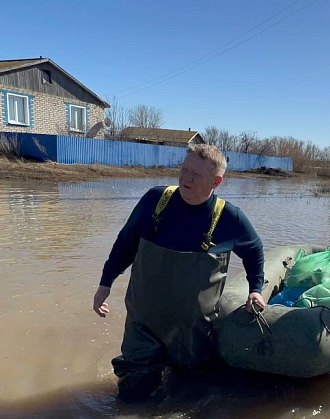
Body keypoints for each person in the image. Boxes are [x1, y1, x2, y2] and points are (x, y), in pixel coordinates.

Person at [93, 143, 266, 401]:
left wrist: (256, 290)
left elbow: (255, 251)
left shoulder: (229, 218)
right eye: (184, 169)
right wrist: (105, 283)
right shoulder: (155, 201)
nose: (186, 178)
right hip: (144, 325)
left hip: (192, 336)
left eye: (196, 174)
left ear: (216, 182)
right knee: (131, 397)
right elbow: (125, 242)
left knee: (185, 402)